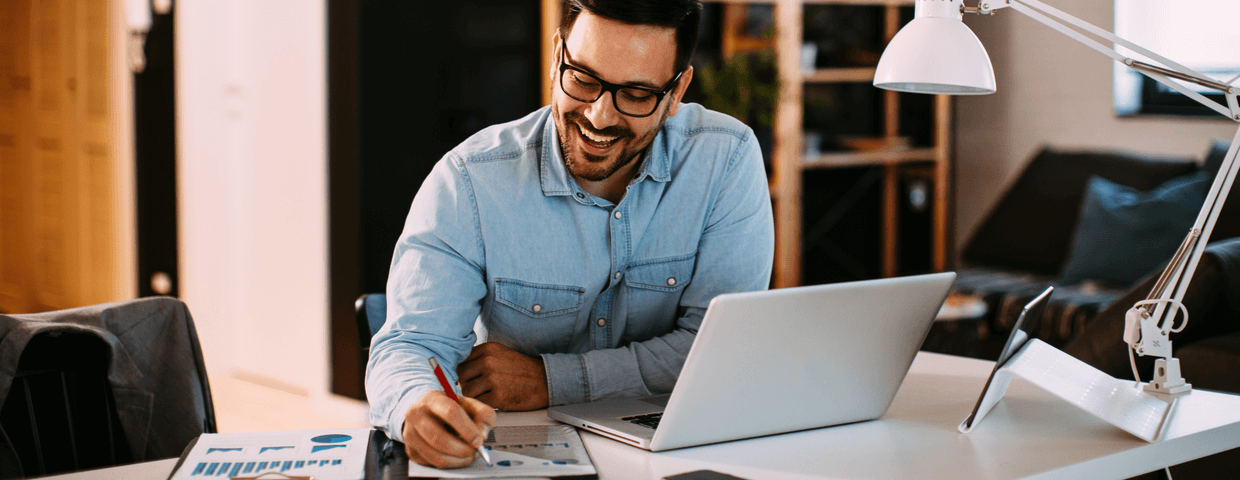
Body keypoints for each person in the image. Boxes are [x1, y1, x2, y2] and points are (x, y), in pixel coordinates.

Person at [365, 0, 774, 469]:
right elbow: (410, 346)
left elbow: (715, 351)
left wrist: (553, 379)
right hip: (516, 458)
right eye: (583, 79)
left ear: (677, 88)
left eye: (637, 95)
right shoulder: (469, 181)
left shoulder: (726, 159)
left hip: (676, 455)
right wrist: (416, 404)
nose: (599, 116)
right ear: (558, 52)